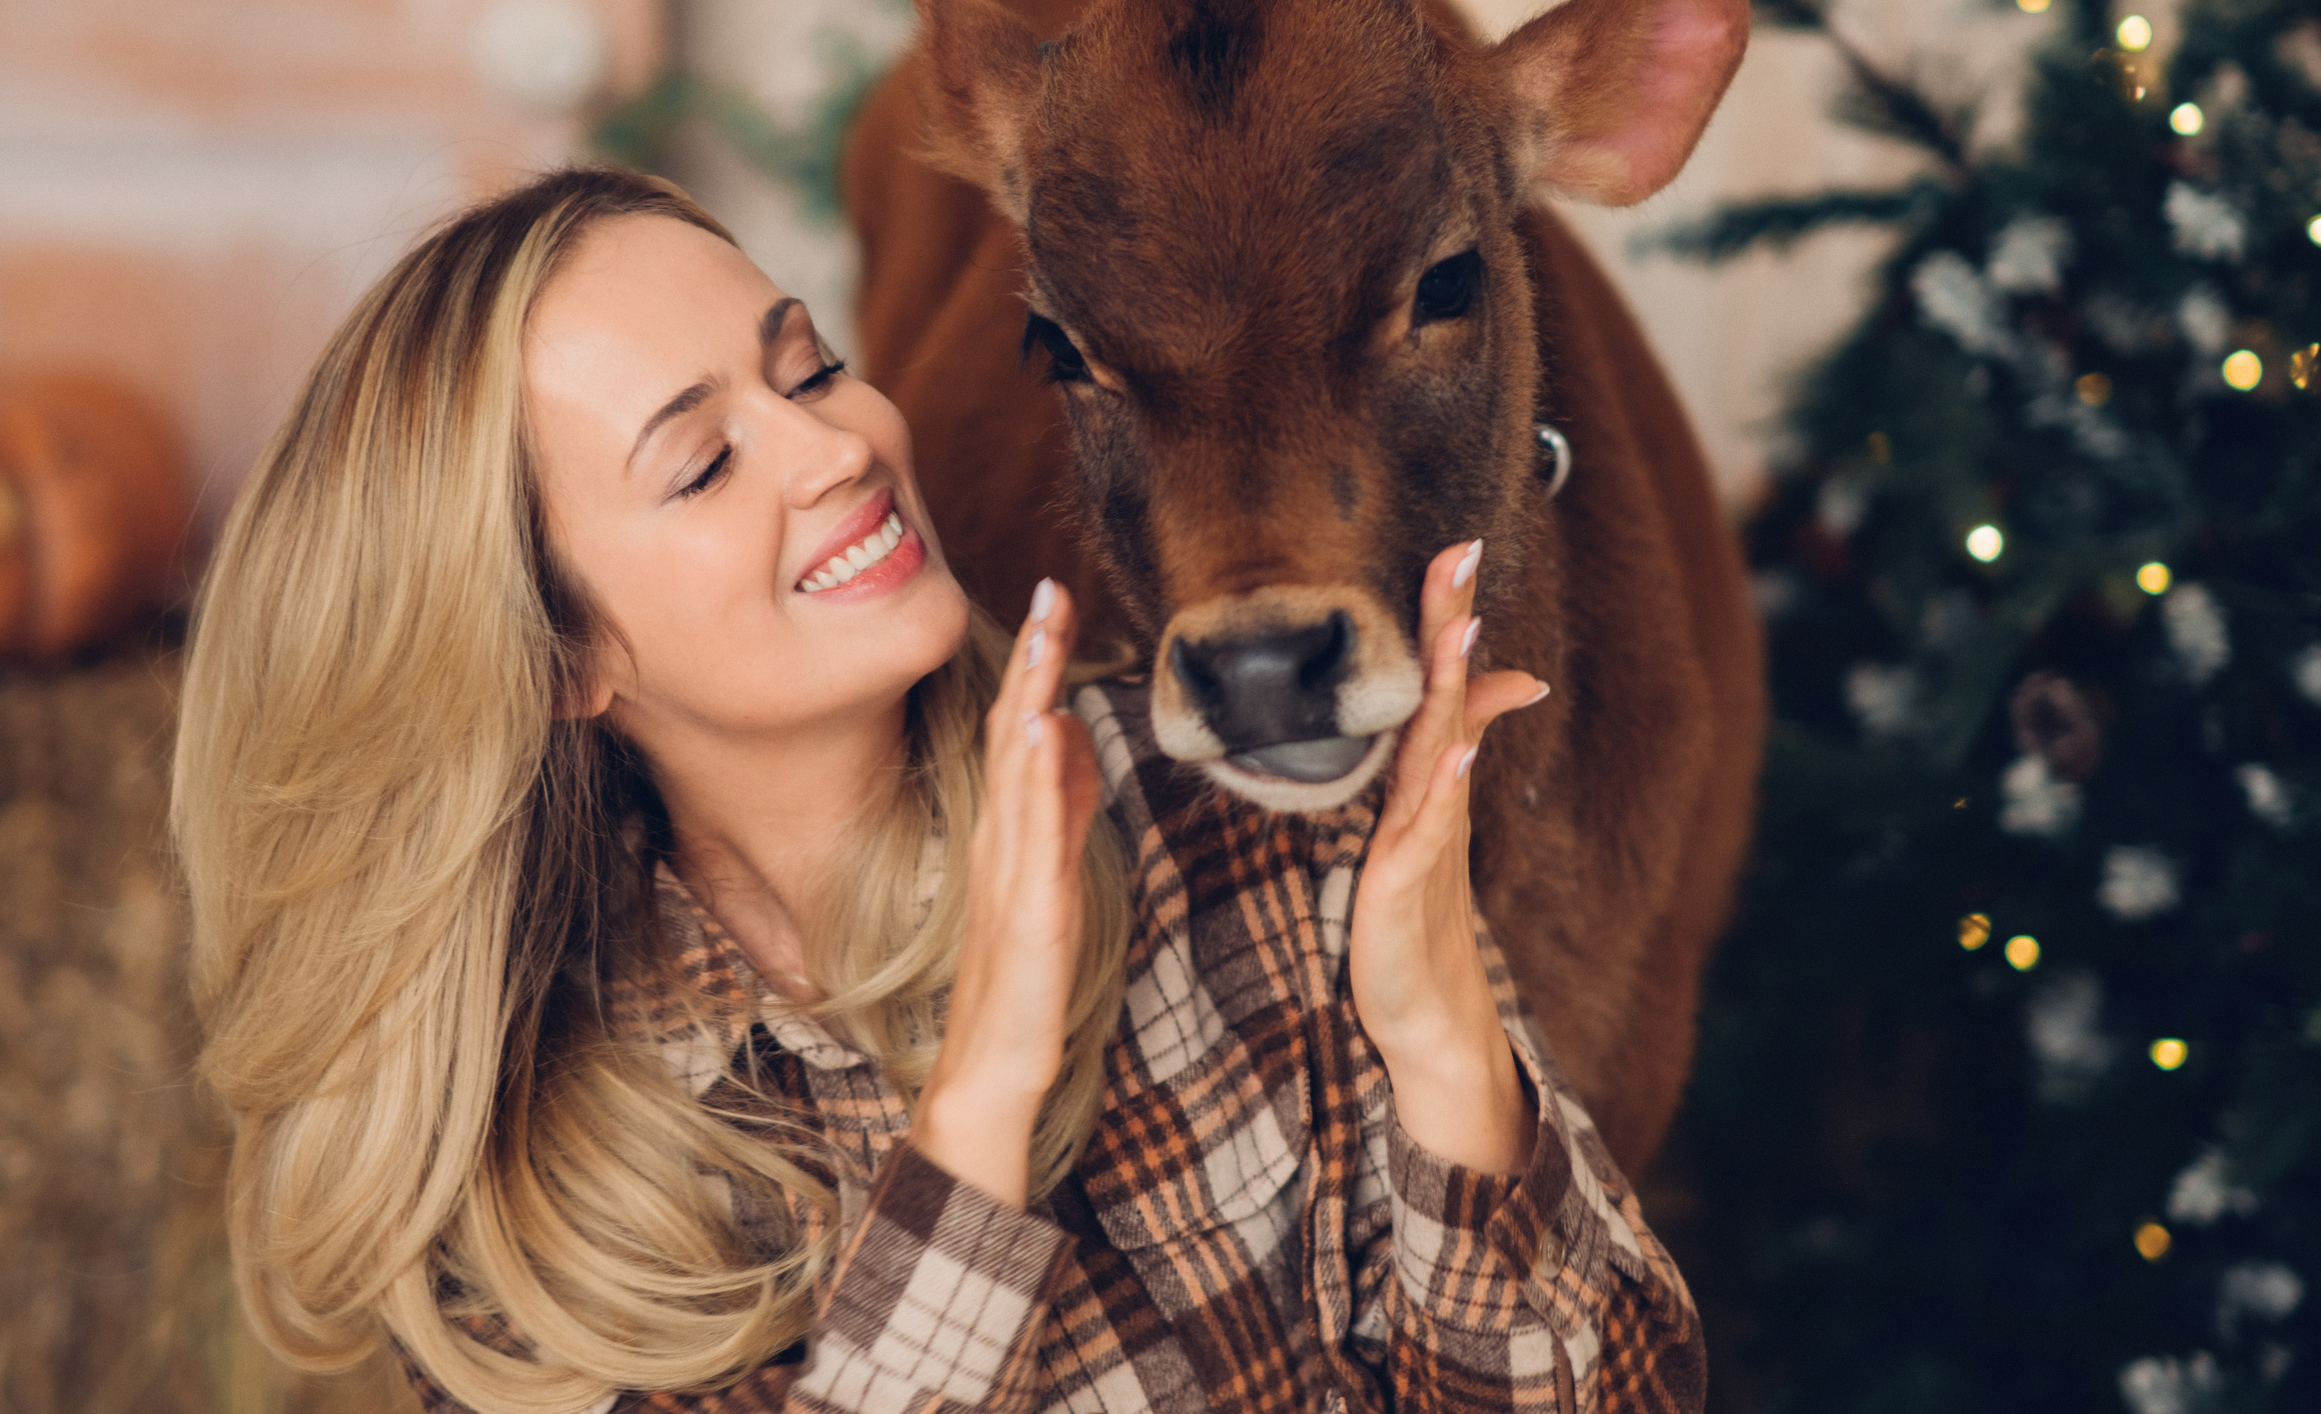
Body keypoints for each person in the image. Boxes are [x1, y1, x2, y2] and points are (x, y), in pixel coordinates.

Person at [171, 165, 1703, 1414]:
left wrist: (1441, 1046)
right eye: (704, 464)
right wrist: (982, 1102)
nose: (834, 449)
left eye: (810, 369)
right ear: (561, 654)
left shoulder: (1235, 815)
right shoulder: (530, 1207)